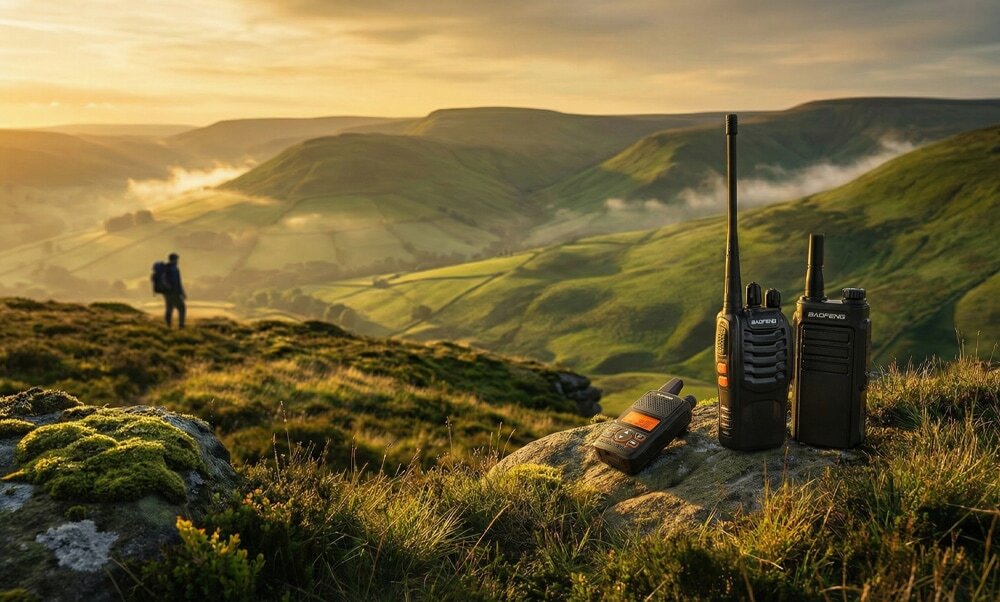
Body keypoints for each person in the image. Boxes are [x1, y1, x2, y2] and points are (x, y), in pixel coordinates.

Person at [163, 252, 186, 328]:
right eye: (177, 259)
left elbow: (178, 281)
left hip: (168, 292)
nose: (177, 261)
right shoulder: (173, 269)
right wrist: (181, 292)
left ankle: (168, 326)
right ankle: (181, 325)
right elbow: (177, 282)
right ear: (174, 259)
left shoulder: (167, 268)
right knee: (182, 307)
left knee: (169, 308)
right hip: (173, 292)